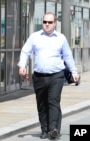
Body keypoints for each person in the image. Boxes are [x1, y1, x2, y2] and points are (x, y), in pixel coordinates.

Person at [18, 12, 80, 140]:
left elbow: (68, 56)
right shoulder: (35, 37)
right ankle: (44, 130)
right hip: (39, 76)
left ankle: (53, 129)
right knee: (42, 104)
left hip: (56, 76)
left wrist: (74, 72)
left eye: (50, 22)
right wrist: (22, 65)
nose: (47, 25)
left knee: (53, 101)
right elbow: (25, 51)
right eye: (45, 22)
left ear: (55, 23)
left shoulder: (61, 38)